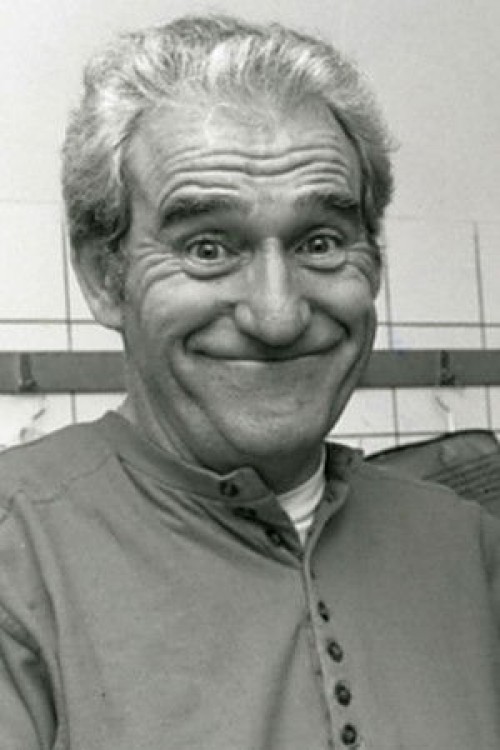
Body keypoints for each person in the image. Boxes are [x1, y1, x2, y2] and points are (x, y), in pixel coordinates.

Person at [0, 14, 499, 750]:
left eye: (320, 242)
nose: (277, 314)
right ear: (105, 277)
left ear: (373, 264)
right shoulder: (18, 553)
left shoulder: (468, 545)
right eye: (208, 248)